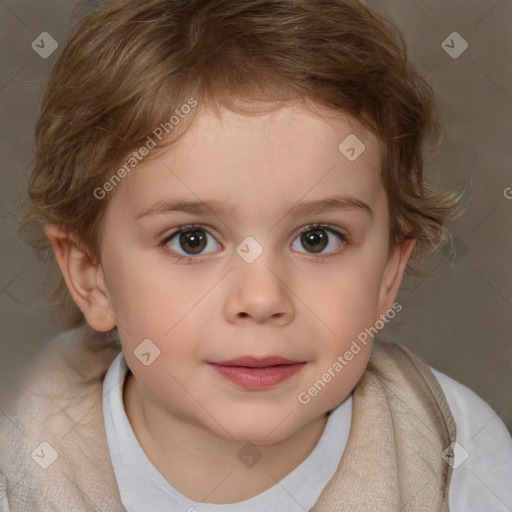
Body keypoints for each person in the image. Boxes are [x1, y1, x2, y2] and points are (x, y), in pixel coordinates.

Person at [1, 0, 511, 510]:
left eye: (317, 238)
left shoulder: (456, 450)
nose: (262, 298)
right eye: (192, 240)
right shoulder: (23, 462)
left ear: (386, 277)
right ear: (92, 277)